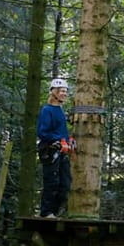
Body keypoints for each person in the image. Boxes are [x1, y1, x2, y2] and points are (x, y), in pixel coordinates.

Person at [37, 78, 74, 218]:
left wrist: (68, 139)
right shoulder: (47, 110)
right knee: (52, 182)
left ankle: (56, 211)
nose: (64, 94)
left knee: (65, 183)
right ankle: (46, 212)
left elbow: (61, 131)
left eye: (65, 91)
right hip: (50, 149)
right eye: (61, 91)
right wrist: (56, 140)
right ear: (54, 92)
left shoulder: (60, 110)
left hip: (62, 150)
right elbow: (42, 132)